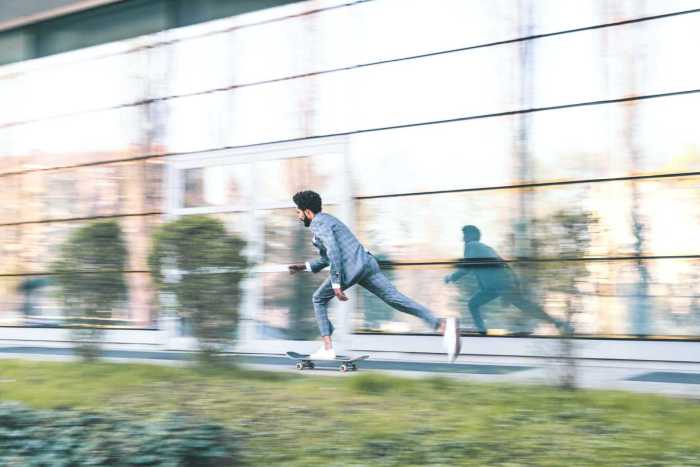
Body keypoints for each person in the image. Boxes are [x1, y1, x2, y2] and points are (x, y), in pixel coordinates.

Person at [288, 190, 460, 362]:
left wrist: (336, 283)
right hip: (366, 264)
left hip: (351, 268)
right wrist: (305, 266)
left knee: (318, 299)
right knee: (395, 299)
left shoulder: (318, 223)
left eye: (298, 212)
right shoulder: (329, 220)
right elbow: (327, 258)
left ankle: (327, 348)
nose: (298, 216)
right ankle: (443, 325)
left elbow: (333, 251)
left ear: (308, 212)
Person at [444, 225, 572, 336]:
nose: (463, 238)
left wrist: (451, 277)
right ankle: (482, 331)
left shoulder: (472, 245)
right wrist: (514, 283)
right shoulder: (484, 247)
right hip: (494, 286)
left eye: (465, 235)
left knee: (526, 306)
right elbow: (499, 265)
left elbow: (467, 267)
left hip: (500, 284)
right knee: (475, 304)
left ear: (471, 236)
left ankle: (558, 323)